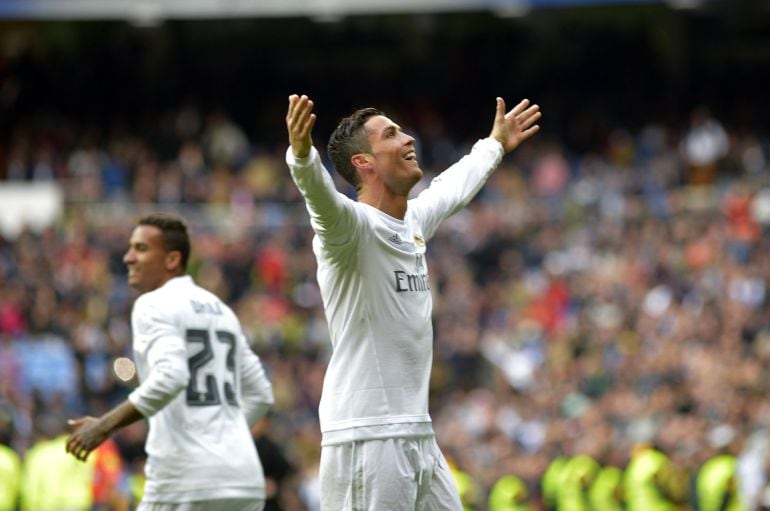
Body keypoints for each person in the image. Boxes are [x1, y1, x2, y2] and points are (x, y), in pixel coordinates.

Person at [285, 93, 541, 510]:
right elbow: (320, 202)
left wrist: (495, 144)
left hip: (417, 432)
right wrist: (301, 156)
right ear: (363, 163)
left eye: (402, 130)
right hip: (366, 435)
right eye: (391, 135)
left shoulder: (411, 222)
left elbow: (452, 188)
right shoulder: (351, 229)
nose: (408, 139)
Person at [66, 213, 275, 511]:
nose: (128, 258)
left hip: (185, 480)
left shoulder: (153, 304)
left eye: (140, 248)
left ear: (171, 260)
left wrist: (104, 426)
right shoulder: (221, 310)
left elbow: (170, 377)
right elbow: (261, 394)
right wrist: (222, 438)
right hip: (242, 478)